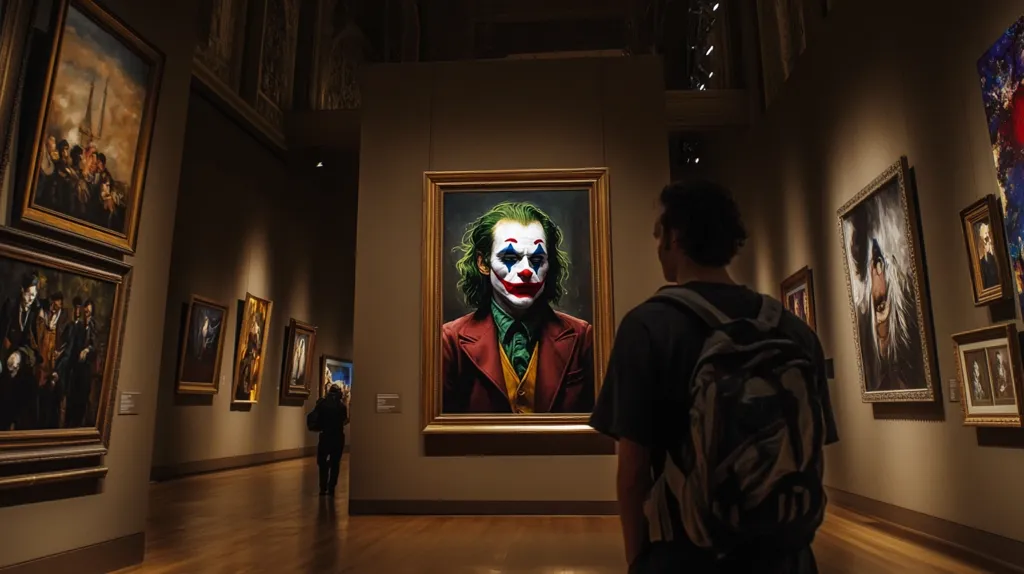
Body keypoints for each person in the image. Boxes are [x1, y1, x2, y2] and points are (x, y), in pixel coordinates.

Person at [589, 180, 839, 573]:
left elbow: (633, 472)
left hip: (687, 555)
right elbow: (813, 444)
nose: (658, 247)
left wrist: (637, 560)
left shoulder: (647, 327)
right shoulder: (793, 330)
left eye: (659, 234)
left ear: (675, 236)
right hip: (788, 557)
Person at [441, 201, 593, 415]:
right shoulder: (450, 340)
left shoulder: (581, 336)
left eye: (537, 259)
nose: (526, 271)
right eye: (510, 258)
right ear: (483, 264)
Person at [310, 383, 348, 496]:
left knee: (322, 463)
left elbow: (315, 417)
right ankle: (332, 486)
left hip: (325, 436)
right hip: (337, 436)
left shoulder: (321, 403)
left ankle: (323, 487)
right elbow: (344, 420)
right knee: (335, 463)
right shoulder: (341, 406)